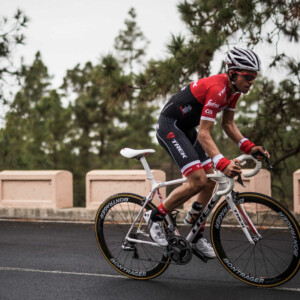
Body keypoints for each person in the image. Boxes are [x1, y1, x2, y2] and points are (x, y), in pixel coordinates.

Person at [144, 47, 270, 258]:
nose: (251, 82)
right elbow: (204, 134)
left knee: (210, 180)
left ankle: (196, 230)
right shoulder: (217, 89)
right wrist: (222, 162)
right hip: (170, 126)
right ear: (232, 73)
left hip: (186, 129)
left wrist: (249, 146)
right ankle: (155, 216)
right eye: (247, 77)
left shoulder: (234, 92)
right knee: (198, 180)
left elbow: (228, 124)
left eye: (254, 77)